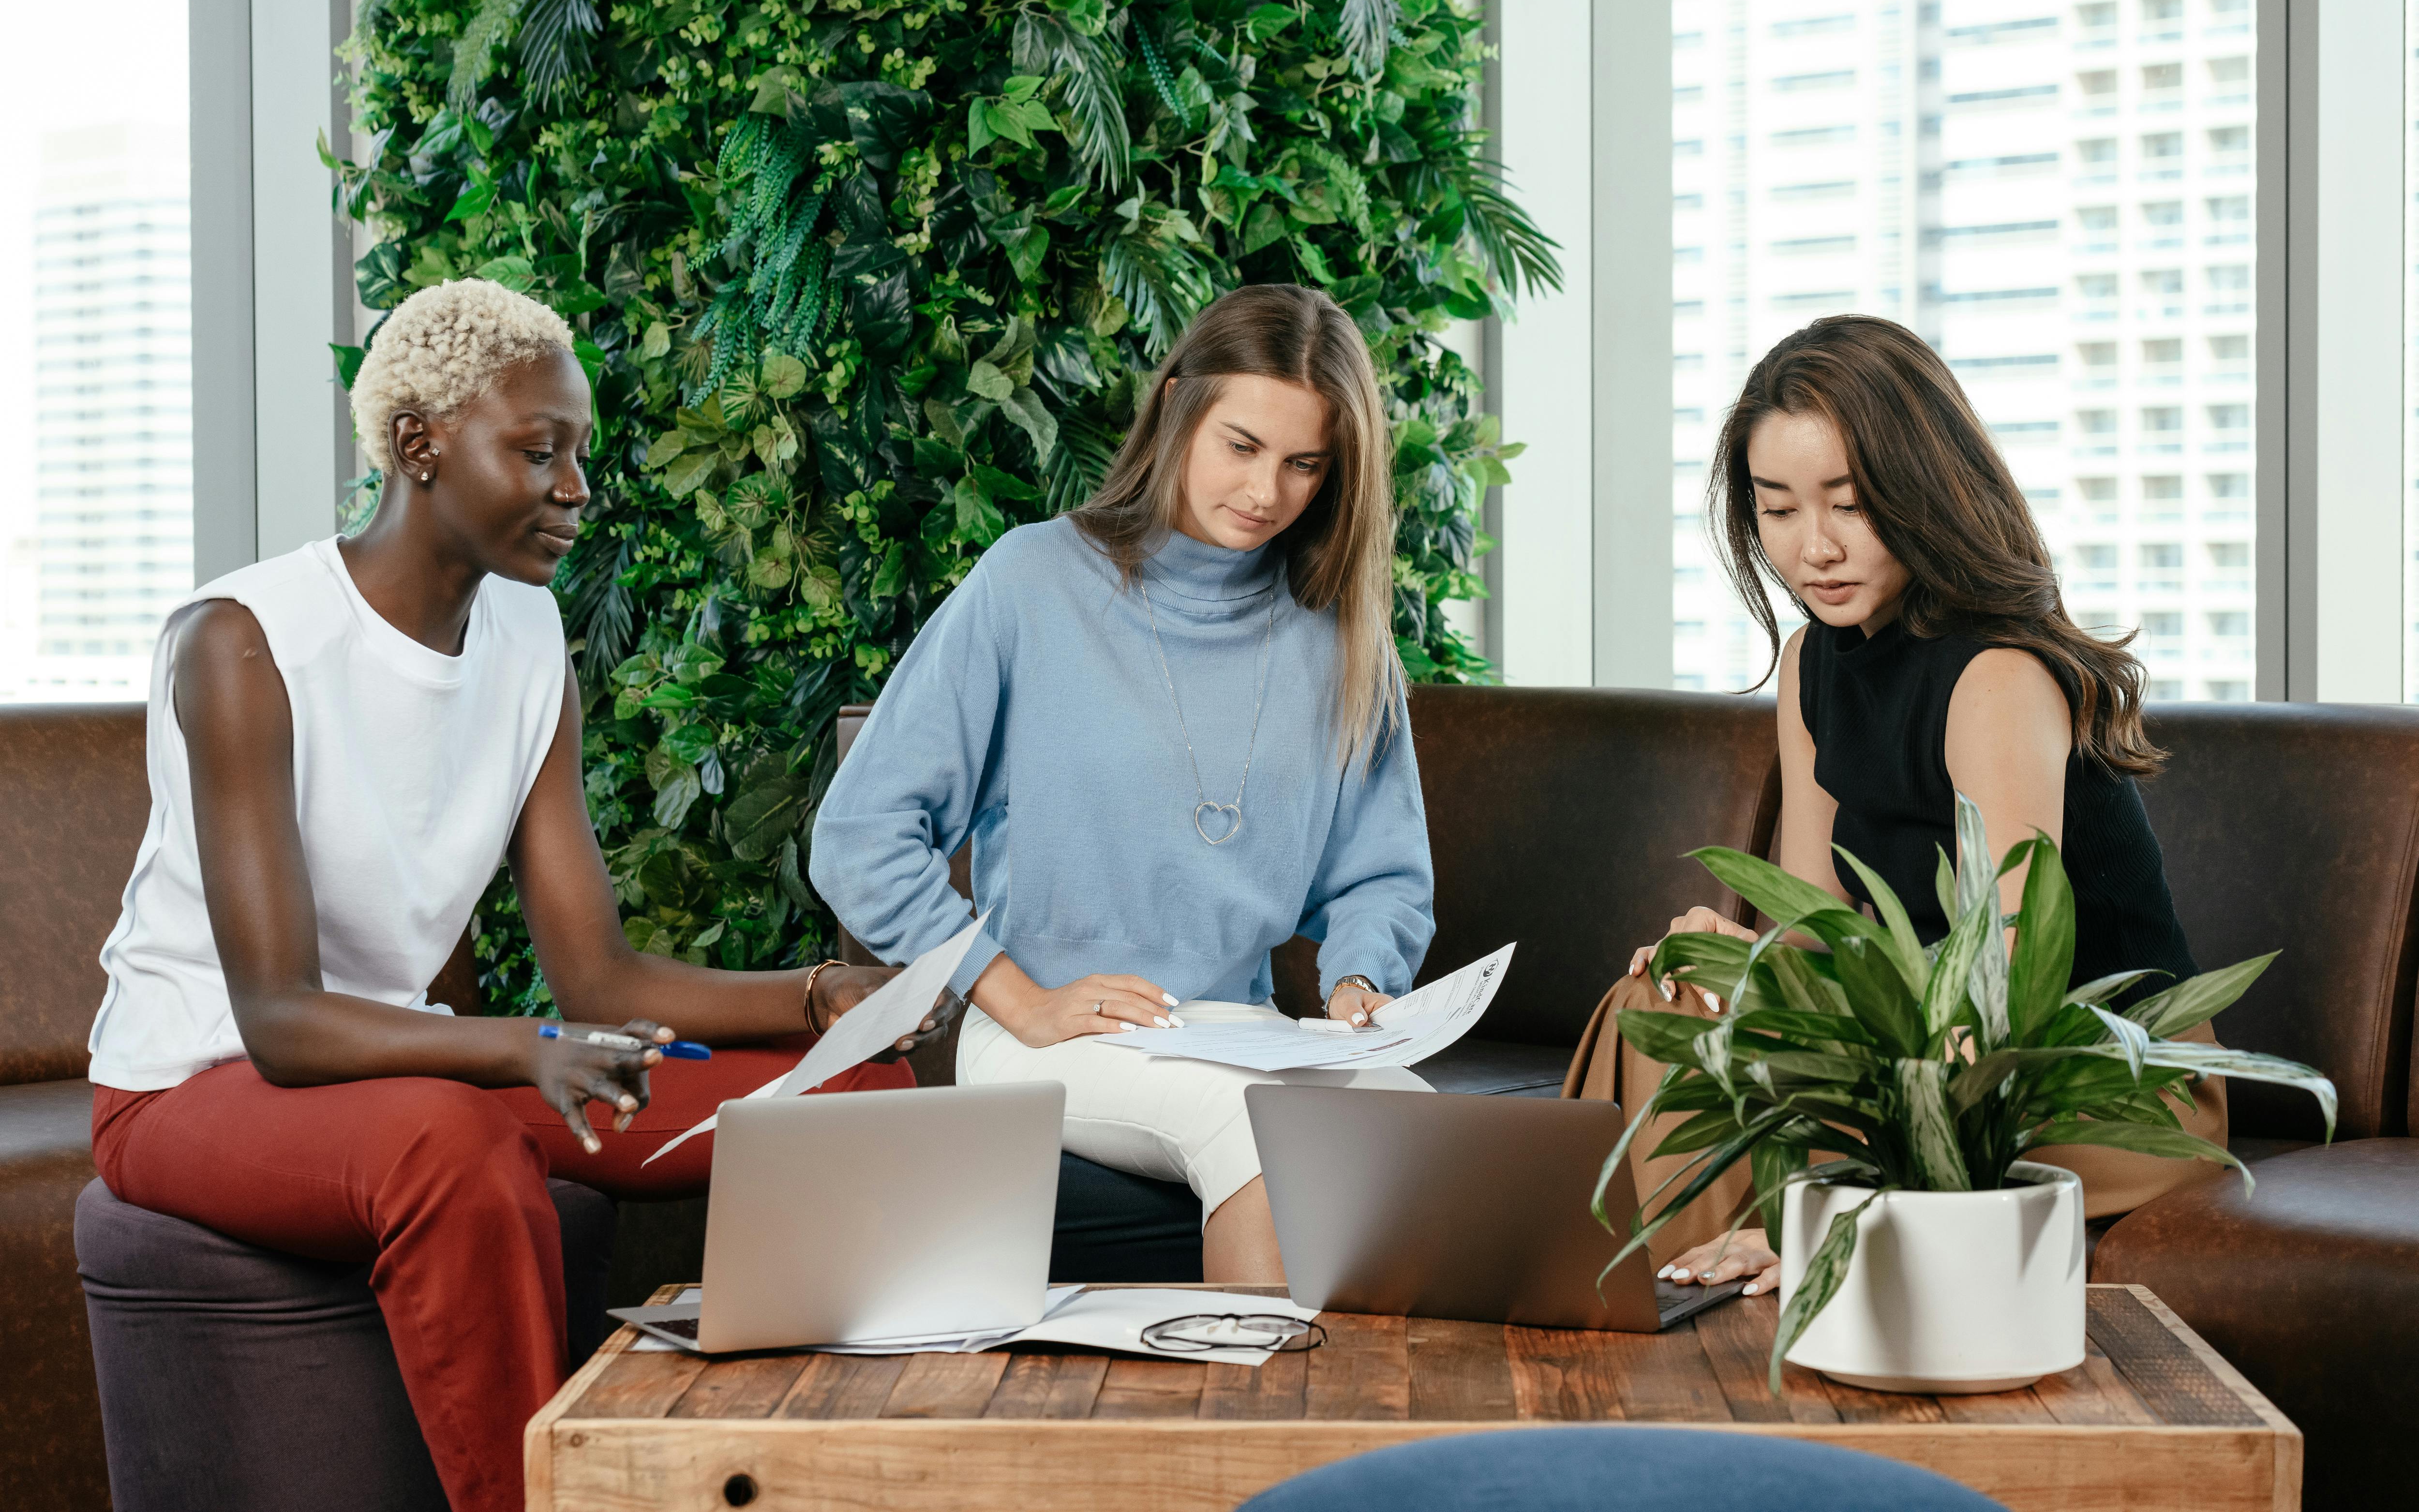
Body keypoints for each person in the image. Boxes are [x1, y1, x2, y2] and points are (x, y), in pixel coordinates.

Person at [85, 278, 939, 1512]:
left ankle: (832, 1469)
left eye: (578, 452)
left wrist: (824, 1000)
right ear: (418, 444)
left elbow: (601, 978)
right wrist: (519, 1048)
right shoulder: (246, 641)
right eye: (538, 450)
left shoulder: (530, 639)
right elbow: (275, 1014)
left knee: (855, 1094)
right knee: (456, 1142)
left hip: (409, 1066)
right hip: (199, 1084)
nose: (575, 487)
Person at [1569, 314, 2225, 1297]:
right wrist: (1734, 956)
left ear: (1924, 492)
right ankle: (1656, 1311)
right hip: (1909, 1049)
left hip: (2085, 1080)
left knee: (1814, 1113)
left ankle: (1734, 1313)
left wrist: (1846, 1196)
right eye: (1779, 509)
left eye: (1850, 503)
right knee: (1658, 1003)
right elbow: (1820, 925)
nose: (1814, 548)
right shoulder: (1810, 665)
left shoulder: (1996, 677)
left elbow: (1997, 988)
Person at [812, 284, 1437, 1282]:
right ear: (1178, 404)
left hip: (1240, 1030)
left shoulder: (1341, 635)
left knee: (1413, 1126)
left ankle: (1384, 1438)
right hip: (1051, 1034)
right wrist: (1012, 994)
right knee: (1268, 1133)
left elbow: (1379, 874)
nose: (1266, 491)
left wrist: (1362, 980)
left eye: (1303, 464)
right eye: (1240, 445)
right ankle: (1248, 1439)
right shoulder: (1032, 582)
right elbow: (861, 831)